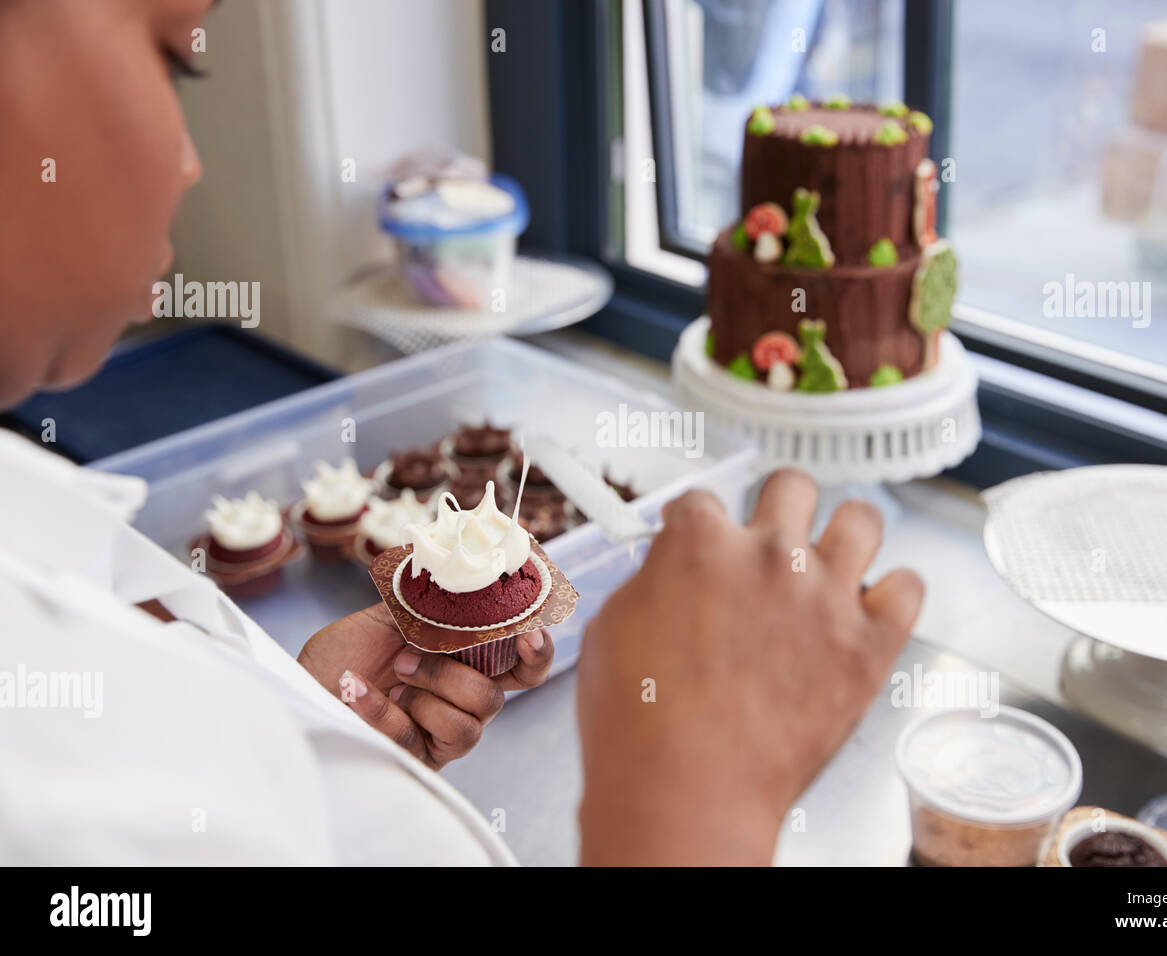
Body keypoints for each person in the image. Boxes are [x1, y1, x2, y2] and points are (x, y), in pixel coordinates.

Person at [0, 0, 923, 865]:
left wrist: (310, 733)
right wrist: (690, 804)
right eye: (178, 58)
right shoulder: (49, 787)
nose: (190, 162)